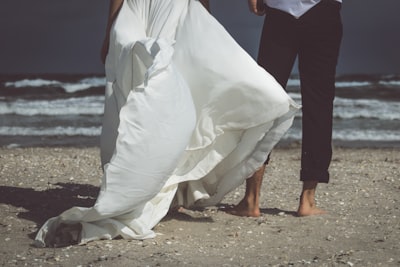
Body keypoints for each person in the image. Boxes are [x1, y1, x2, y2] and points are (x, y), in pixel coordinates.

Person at [34, 0, 299, 247]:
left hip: (158, 9)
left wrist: (110, 30)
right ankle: (158, 187)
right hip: (163, 8)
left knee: (150, 86)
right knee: (162, 85)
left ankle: (159, 187)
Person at [228, 0, 343, 217]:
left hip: (284, 11)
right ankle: (307, 201)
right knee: (317, 103)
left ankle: (252, 199)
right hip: (317, 12)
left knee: (266, 100)